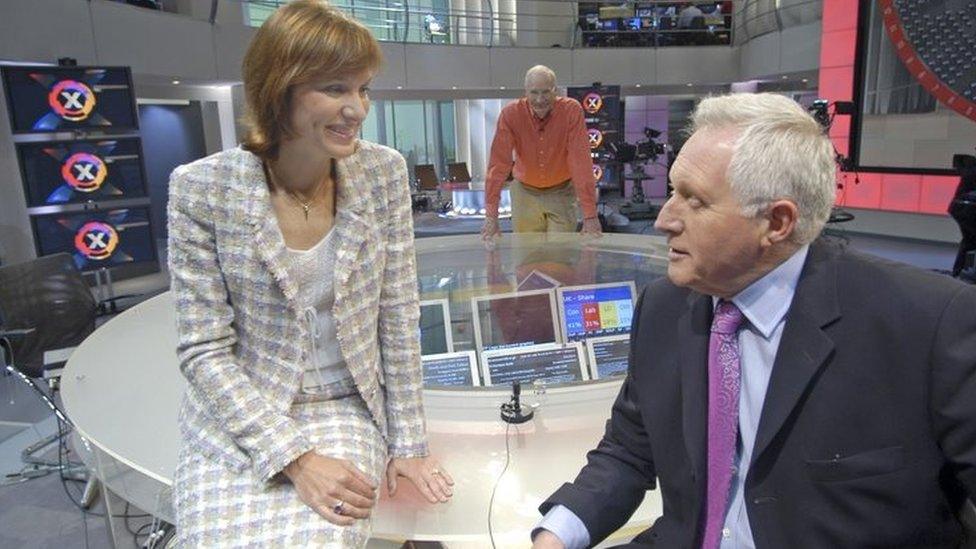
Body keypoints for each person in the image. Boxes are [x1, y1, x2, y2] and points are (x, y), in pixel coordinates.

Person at [532, 93, 976, 548]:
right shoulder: (663, 308)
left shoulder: (931, 324)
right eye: (671, 193)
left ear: (777, 222)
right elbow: (627, 453)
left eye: (695, 201)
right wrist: (556, 535)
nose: (664, 220)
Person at [167, 2, 452, 546]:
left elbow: (397, 315)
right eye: (336, 89)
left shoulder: (382, 173)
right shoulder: (201, 188)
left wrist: (410, 443)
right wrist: (294, 456)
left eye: (363, 89)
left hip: (342, 405)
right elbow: (202, 349)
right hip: (244, 413)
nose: (357, 109)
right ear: (281, 89)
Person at [481, 65, 602, 244]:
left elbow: (580, 162)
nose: (539, 99)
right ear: (525, 92)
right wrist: (491, 215)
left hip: (561, 191)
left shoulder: (571, 111)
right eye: (534, 92)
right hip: (524, 192)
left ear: (556, 91)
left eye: (546, 92)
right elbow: (498, 164)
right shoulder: (511, 114)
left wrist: (590, 215)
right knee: (527, 259)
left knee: (561, 258)